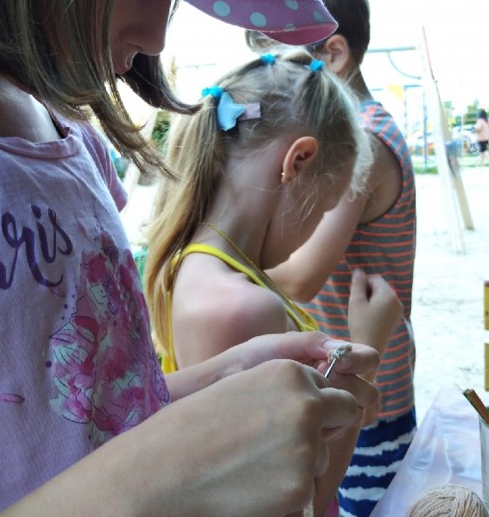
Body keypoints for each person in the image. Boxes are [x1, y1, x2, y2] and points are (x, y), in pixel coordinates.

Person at [0, 0, 382, 515]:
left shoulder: (75, 138)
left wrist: (220, 385)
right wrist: (169, 471)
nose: (156, 37)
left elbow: (79, 425)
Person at [143, 49, 403, 516]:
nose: (314, 230)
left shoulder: (190, 266)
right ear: (297, 162)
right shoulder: (243, 307)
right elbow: (301, 498)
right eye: (324, 210)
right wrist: (365, 354)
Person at [247, 0, 418, 517]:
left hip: (367, 393)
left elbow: (302, 276)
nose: (267, 84)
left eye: (279, 64)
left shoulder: (362, 141)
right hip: (352, 377)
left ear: (335, 54)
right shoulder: (354, 132)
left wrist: (208, 261)